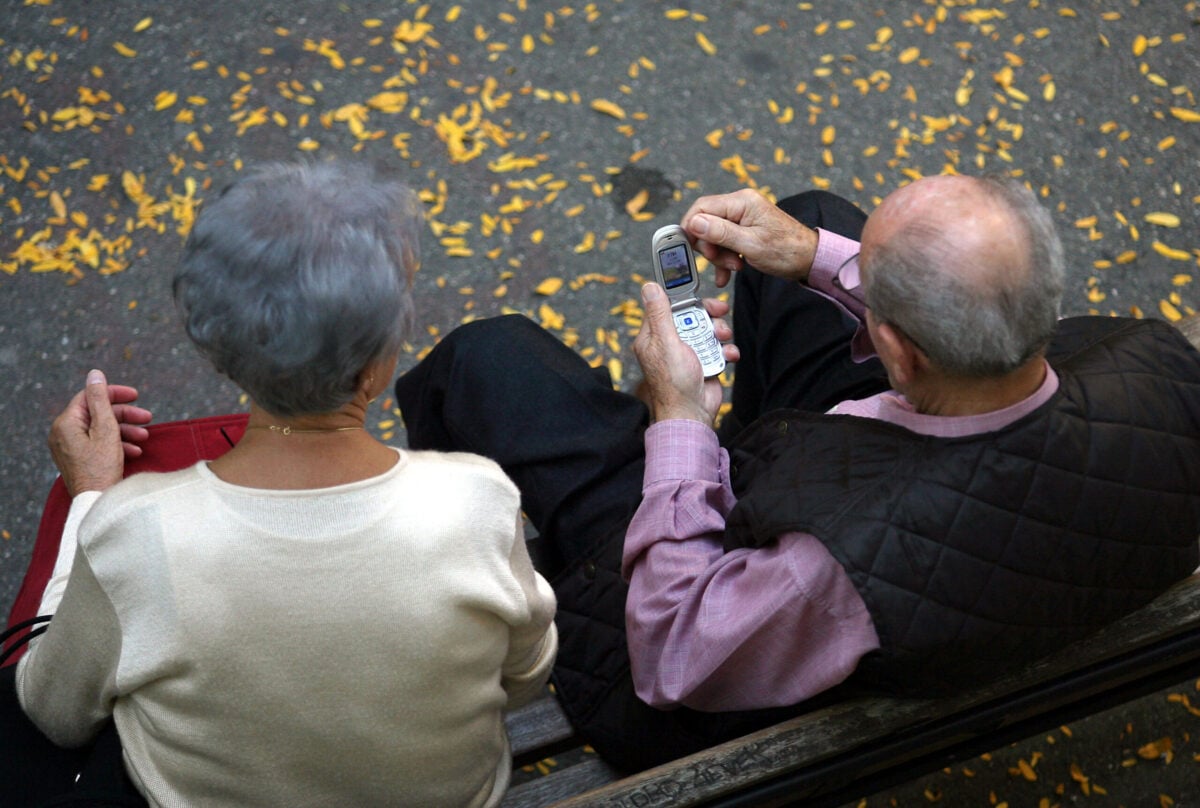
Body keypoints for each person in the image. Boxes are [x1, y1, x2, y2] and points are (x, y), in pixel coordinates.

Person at [393, 175, 1200, 773]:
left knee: (486, 361)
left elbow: (673, 649)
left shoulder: (835, 572)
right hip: (944, 493)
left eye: (874, 300)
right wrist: (817, 257)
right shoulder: (1158, 368)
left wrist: (679, 424)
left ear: (901, 352)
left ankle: (448, 575)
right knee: (812, 215)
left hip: (682, 629)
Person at [4, 161, 557, 807]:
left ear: (219, 349)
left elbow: (51, 708)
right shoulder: (476, 501)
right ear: (381, 361)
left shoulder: (138, 531)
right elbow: (524, 673)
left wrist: (91, 497)